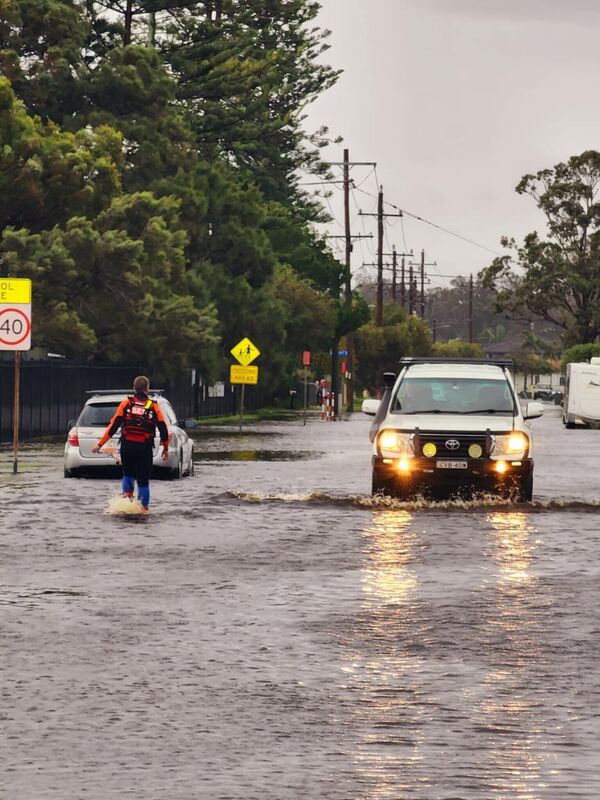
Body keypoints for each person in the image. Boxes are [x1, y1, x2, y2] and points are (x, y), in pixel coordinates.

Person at [92, 376, 169, 512]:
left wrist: (100, 444)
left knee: (128, 474)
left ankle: (126, 503)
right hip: (144, 448)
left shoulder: (126, 404)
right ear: (147, 389)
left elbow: (113, 426)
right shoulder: (154, 407)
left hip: (127, 447)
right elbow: (163, 430)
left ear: (134, 389)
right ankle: (143, 510)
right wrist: (166, 449)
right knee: (143, 482)